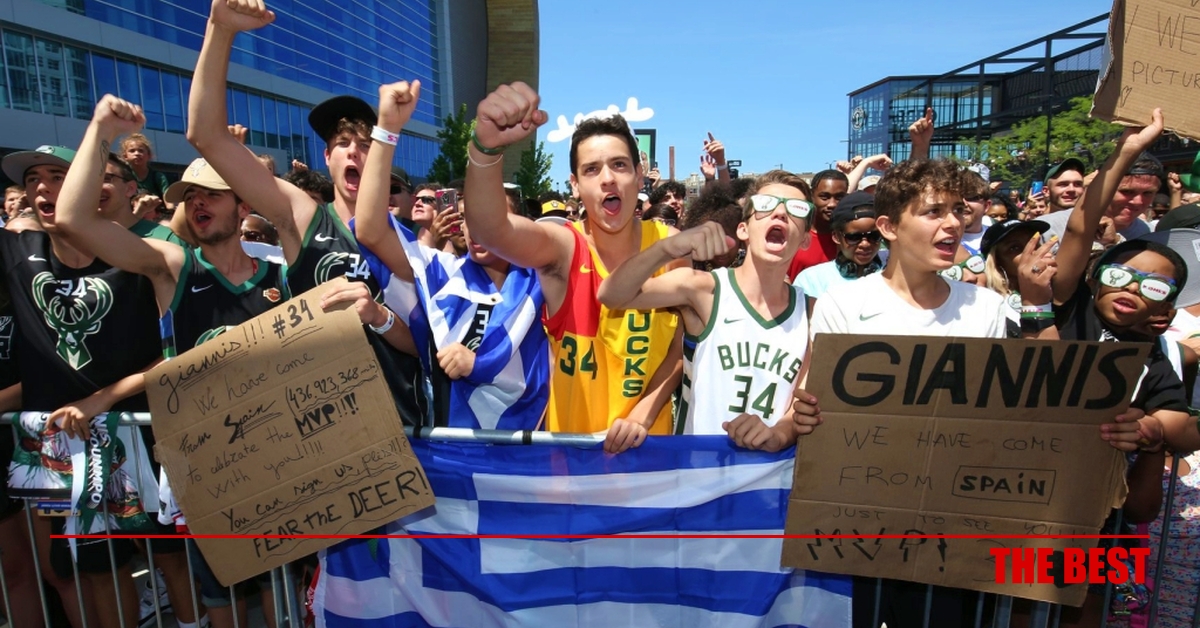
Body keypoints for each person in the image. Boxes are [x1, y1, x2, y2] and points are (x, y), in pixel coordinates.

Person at [186, 0, 427, 424]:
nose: (354, 151)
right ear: (327, 158)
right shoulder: (302, 216)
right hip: (321, 429)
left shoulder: (409, 241)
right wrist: (219, 31)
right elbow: (206, 136)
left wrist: (378, 316)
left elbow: (426, 346)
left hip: (403, 424)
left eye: (366, 143)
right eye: (342, 144)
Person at [462, 82, 684, 453]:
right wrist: (485, 149)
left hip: (649, 458)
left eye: (619, 165)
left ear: (639, 174)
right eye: (591, 169)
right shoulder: (564, 247)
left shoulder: (670, 247)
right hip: (571, 460)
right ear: (575, 186)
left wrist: (643, 415)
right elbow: (491, 230)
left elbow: (679, 352)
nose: (608, 178)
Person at [1, 142, 169, 628]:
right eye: (32, 179)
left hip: (137, 436)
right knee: (83, 568)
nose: (41, 187)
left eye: (57, 175)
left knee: (166, 556)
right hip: (57, 447)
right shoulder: (18, 252)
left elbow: (177, 351)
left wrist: (104, 399)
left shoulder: (139, 257)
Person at [354, 80, 548, 430]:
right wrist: (387, 129)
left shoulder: (546, 277)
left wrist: (477, 363)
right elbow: (370, 229)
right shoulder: (445, 273)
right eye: (468, 218)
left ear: (519, 224)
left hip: (532, 448)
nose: (479, 228)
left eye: (492, 218)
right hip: (457, 451)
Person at [599, 170, 811, 449]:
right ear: (743, 229)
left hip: (770, 473)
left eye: (796, 209)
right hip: (699, 469)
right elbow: (612, 295)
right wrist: (667, 249)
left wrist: (778, 435)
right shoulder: (704, 289)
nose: (780, 214)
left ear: (805, 239)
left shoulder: (813, 312)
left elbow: (802, 404)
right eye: (765, 205)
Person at [792, 191, 887, 317]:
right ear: (837, 237)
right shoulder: (811, 280)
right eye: (854, 237)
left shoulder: (894, 277)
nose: (865, 244)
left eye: (874, 236)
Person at [785, 170, 840, 280]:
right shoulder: (793, 232)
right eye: (824, 197)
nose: (832, 204)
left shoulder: (852, 238)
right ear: (812, 196)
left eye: (839, 197)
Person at [119, 133, 171, 198]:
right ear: (125, 156)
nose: (137, 154)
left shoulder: (158, 177)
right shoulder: (122, 177)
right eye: (132, 151)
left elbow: (168, 199)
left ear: (149, 155)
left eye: (141, 151)